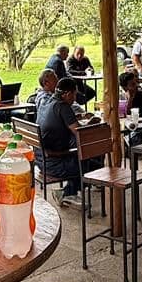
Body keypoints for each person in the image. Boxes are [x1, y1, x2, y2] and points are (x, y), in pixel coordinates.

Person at [36, 77, 102, 207]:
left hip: (40, 159)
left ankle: (71, 190)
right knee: (91, 164)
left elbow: (62, 121)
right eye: (74, 94)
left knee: (86, 155)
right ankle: (67, 193)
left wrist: (81, 117)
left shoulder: (47, 101)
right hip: (54, 163)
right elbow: (80, 133)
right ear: (67, 94)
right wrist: (91, 124)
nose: (75, 98)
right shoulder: (63, 106)